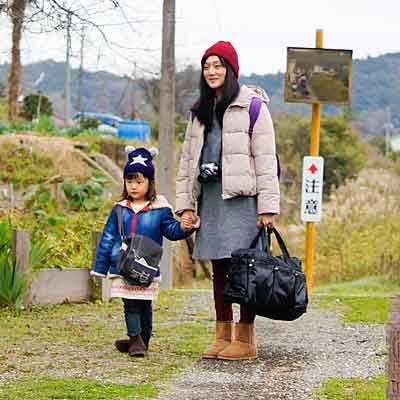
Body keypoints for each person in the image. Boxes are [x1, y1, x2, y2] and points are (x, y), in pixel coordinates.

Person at [176, 41, 280, 361]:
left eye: (218, 65)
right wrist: (186, 205)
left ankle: (246, 339)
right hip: (210, 198)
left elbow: (265, 159)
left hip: (242, 200)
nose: (212, 71)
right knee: (219, 267)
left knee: (245, 267)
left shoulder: (253, 107)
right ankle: (222, 334)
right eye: (207, 66)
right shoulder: (199, 113)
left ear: (231, 70)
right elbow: (186, 161)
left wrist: (268, 207)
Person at [91, 146, 197, 357]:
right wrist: (100, 268)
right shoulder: (119, 208)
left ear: (150, 182)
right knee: (129, 304)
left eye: (139, 181)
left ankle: (141, 340)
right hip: (123, 265)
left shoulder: (160, 209)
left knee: (144, 305)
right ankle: (135, 339)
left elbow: (171, 231)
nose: (133, 186)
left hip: (146, 266)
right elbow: (108, 237)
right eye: (130, 181)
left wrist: (186, 227)